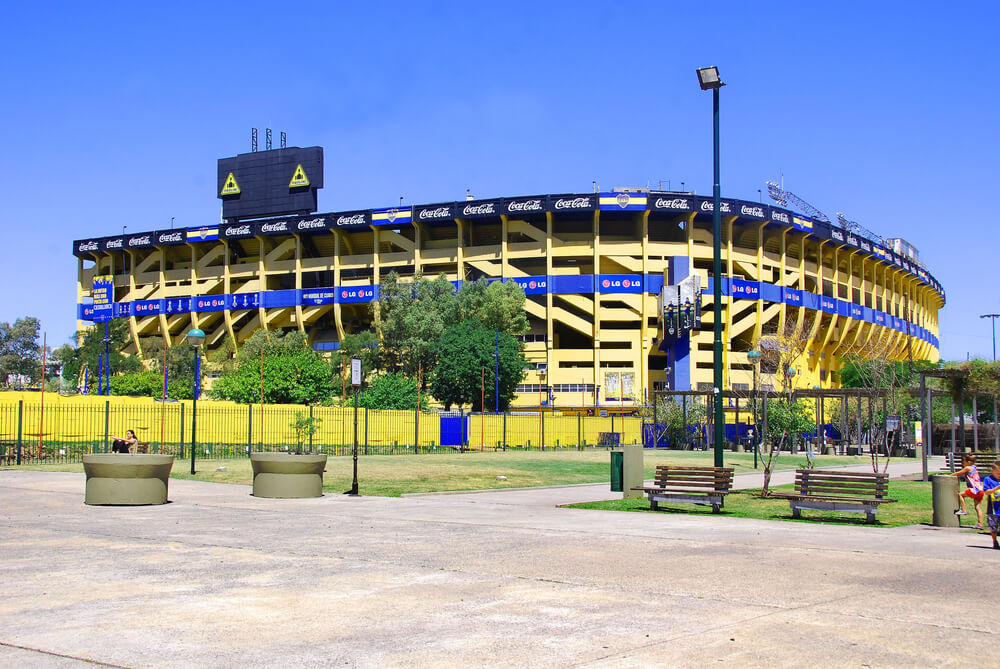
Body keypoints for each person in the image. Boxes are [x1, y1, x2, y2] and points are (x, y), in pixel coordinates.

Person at [953, 454, 985, 530]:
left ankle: (964, 510)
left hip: (974, 489)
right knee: (978, 507)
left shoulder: (968, 468)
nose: (963, 463)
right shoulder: (974, 467)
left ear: (969, 462)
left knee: (960, 494)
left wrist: (949, 475)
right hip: (980, 489)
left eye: (964, 462)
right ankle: (980, 524)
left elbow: (959, 473)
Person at [983, 462, 1000, 549]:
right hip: (993, 508)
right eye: (998, 473)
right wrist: (997, 488)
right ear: (992, 470)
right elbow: (986, 492)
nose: (999, 475)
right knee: (993, 527)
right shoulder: (988, 479)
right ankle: (995, 541)